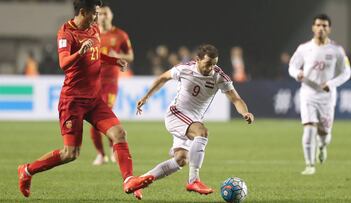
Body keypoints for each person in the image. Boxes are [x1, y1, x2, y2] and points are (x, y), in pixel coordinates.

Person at [17, 0, 145, 200]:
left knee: (119, 134)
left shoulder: (93, 29)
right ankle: (27, 171)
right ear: (83, 12)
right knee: (71, 153)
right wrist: (80, 52)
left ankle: (129, 180)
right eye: (95, 13)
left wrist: (113, 60)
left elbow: (96, 55)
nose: (97, 17)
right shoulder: (66, 32)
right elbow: (63, 63)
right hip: (73, 101)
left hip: (94, 99)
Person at [122, 44, 254, 195]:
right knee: (202, 132)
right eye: (207, 64)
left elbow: (236, 99)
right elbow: (163, 78)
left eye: (214, 64)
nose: (211, 68)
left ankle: (138, 182)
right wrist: (146, 96)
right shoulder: (185, 69)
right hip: (176, 113)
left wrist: (245, 112)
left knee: (180, 160)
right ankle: (193, 181)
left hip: (191, 120)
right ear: (197, 60)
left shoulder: (219, 76)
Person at [289, 14, 351, 175]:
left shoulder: (336, 50)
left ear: (329, 29)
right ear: (313, 27)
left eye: (324, 26)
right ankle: (310, 165)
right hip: (308, 94)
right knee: (309, 129)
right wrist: (298, 74)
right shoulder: (304, 48)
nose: (321, 28)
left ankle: (322, 147)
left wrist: (330, 84)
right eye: (318, 25)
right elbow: (292, 66)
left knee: (324, 134)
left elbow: (346, 72)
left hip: (327, 98)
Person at [90, 5, 134, 166]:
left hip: (110, 83)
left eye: (105, 14)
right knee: (93, 122)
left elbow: (130, 55)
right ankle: (100, 154)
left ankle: (113, 148)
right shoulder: (92, 33)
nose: (103, 16)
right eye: (100, 14)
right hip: (92, 82)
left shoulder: (120, 35)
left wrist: (118, 55)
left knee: (104, 116)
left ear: (111, 16)